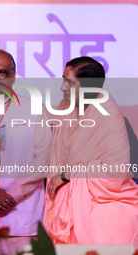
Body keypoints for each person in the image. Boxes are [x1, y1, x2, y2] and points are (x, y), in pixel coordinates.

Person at [43, 56, 138, 247]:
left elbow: (116, 171)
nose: (62, 88)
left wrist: (66, 175)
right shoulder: (67, 107)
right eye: (63, 80)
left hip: (101, 207)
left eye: (69, 83)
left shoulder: (106, 111)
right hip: (64, 204)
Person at [0, 49, 52, 254]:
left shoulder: (35, 109)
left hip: (24, 215)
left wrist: (11, 195)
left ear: (13, 76)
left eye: (2, 72)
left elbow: (45, 158)